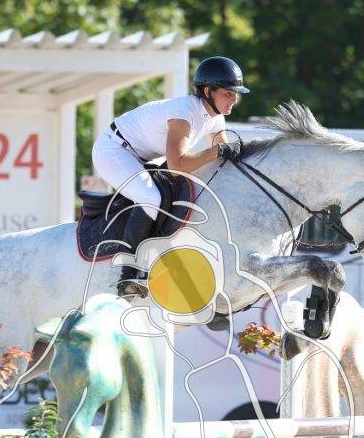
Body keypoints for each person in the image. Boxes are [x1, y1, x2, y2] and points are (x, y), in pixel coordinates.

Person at [91, 55, 250, 296]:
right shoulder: (185, 114)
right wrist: (218, 151)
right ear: (208, 91)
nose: (234, 99)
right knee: (151, 198)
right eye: (228, 93)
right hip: (113, 150)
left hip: (141, 155)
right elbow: (178, 165)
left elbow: (222, 152)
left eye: (235, 93)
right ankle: (128, 275)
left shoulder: (215, 116)